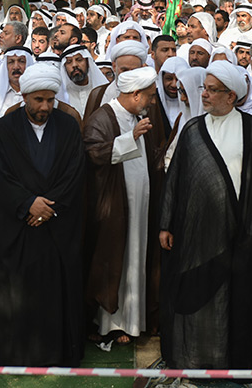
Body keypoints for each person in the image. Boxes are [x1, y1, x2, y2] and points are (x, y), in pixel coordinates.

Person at [159, 61, 252, 369]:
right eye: (204, 88)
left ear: (231, 96)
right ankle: (197, 357)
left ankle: (235, 360)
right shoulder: (192, 129)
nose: (204, 95)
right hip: (196, 234)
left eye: (213, 90)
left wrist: (251, 232)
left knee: (237, 297)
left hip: (240, 234)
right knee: (198, 294)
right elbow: (175, 179)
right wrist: (166, 224)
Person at [0, 63, 85, 367]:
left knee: (57, 289)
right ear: (24, 96)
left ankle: (58, 353)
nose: (45, 107)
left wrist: (48, 208)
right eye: (38, 100)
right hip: (20, 227)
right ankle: (17, 353)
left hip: (57, 224)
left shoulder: (68, 126)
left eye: (50, 100)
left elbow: (75, 173)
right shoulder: (6, 127)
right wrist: (28, 203)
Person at [84, 66, 165, 345]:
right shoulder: (102, 117)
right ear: (135, 94)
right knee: (115, 261)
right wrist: (130, 138)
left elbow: (149, 157)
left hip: (140, 207)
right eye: (150, 96)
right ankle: (111, 324)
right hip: (115, 209)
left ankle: (134, 321)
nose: (153, 101)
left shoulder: (139, 117)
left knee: (137, 258)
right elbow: (93, 153)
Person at [60, 44, 108, 118]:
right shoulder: (62, 95)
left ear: (88, 62)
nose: (74, 65)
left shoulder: (102, 90)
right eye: (69, 62)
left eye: (79, 60)